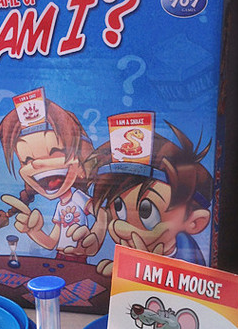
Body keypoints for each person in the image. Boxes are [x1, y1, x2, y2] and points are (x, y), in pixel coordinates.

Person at [84, 118, 212, 276]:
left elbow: (186, 285)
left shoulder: (188, 257)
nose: (121, 229)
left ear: (195, 222)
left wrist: (145, 269)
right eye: (118, 207)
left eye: (147, 213)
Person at [0, 88, 105, 262]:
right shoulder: (60, 206)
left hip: (79, 259)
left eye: (55, 151)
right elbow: (52, 242)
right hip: (60, 257)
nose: (38, 164)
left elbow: (102, 215)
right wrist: (33, 231)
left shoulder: (78, 197)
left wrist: (96, 238)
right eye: (27, 159)